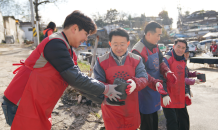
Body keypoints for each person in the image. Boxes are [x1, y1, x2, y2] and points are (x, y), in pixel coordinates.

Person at [2, 10, 123, 130]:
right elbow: (76, 78)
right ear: (75, 28)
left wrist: (104, 99)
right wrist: (106, 88)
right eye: (86, 34)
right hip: (21, 103)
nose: (86, 39)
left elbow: (78, 83)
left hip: (35, 105)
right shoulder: (55, 43)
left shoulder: (69, 51)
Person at [93, 28, 167, 130]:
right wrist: (107, 89)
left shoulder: (136, 59)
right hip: (111, 110)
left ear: (128, 43)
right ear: (110, 43)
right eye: (115, 44)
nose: (119, 48)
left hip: (131, 108)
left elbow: (144, 77)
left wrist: (135, 83)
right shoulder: (101, 61)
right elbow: (97, 83)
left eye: (122, 44)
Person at [131, 21, 177, 130]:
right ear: (148, 34)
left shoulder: (155, 46)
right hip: (144, 92)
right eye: (158, 35)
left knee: (154, 119)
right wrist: (155, 83)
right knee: (147, 122)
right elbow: (141, 73)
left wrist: (167, 72)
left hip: (156, 88)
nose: (159, 38)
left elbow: (161, 62)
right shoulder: (137, 50)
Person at [161, 38, 190, 130]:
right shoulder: (166, 59)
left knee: (184, 121)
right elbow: (161, 78)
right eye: (178, 46)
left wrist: (187, 91)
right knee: (172, 123)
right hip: (169, 96)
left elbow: (184, 78)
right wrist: (164, 94)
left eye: (183, 48)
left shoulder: (182, 60)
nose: (180, 49)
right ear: (173, 47)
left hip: (180, 95)